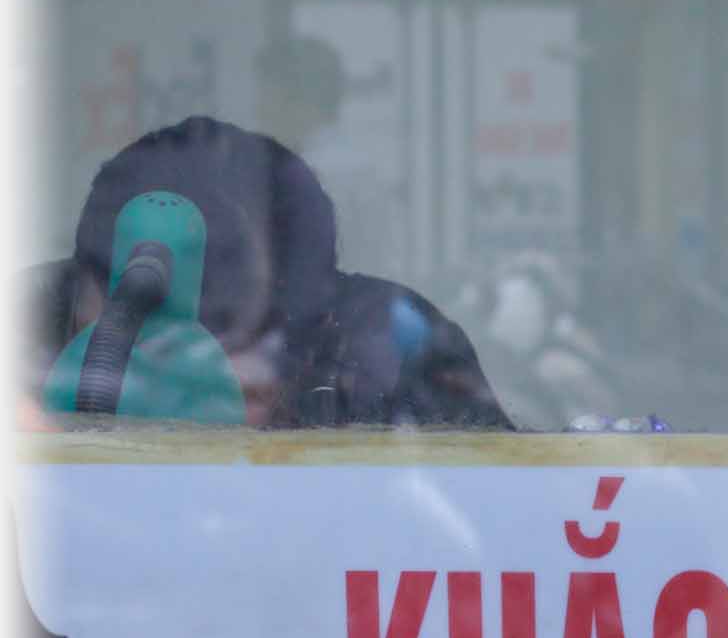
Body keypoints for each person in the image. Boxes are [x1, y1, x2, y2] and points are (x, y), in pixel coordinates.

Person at [26, 117, 509, 429]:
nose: (178, 359)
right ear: (75, 303)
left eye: (223, 310)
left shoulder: (381, 366)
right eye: (145, 307)